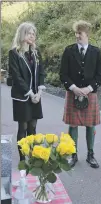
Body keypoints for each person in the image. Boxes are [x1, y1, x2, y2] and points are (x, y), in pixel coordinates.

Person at [60, 20, 101, 169]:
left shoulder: (96, 52)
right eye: (76, 32)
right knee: (73, 125)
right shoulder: (68, 50)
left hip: (89, 93)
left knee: (90, 125)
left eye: (80, 33)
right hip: (73, 92)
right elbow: (63, 74)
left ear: (87, 34)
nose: (77, 35)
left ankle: (90, 155)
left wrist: (89, 88)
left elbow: (100, 75)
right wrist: (73, 88)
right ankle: (73, 154)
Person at [8, 22, 46, 162]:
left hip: (36, 95)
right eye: (29, 33)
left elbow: (41, 72)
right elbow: (17, 77)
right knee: (23, 128)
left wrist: (39, 93)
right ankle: (23, 160)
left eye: (34, 34)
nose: (32, 36)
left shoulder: (36, 53)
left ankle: (33, 158)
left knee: (33, 127)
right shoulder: (14, 53)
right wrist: (30, 93)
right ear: (22, 34)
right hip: (22, 96)